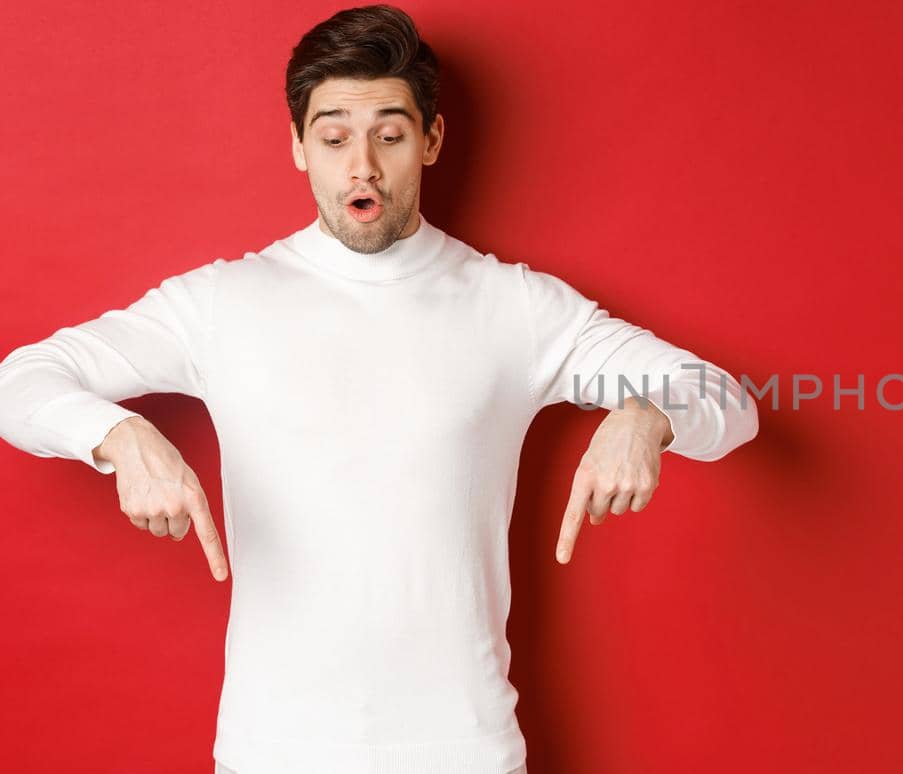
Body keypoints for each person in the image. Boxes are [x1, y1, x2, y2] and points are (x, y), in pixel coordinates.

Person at [0, 5, 758, 773]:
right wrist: (118, 438)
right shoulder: (220, 305)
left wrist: (647, 413)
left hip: (465, 750)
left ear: (429, 140)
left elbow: (730, 403)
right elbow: (18, 381)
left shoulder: (516, 307)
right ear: (299, 147)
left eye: (389, 135)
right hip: (273, 753)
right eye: (333, 138)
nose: (361, 166)